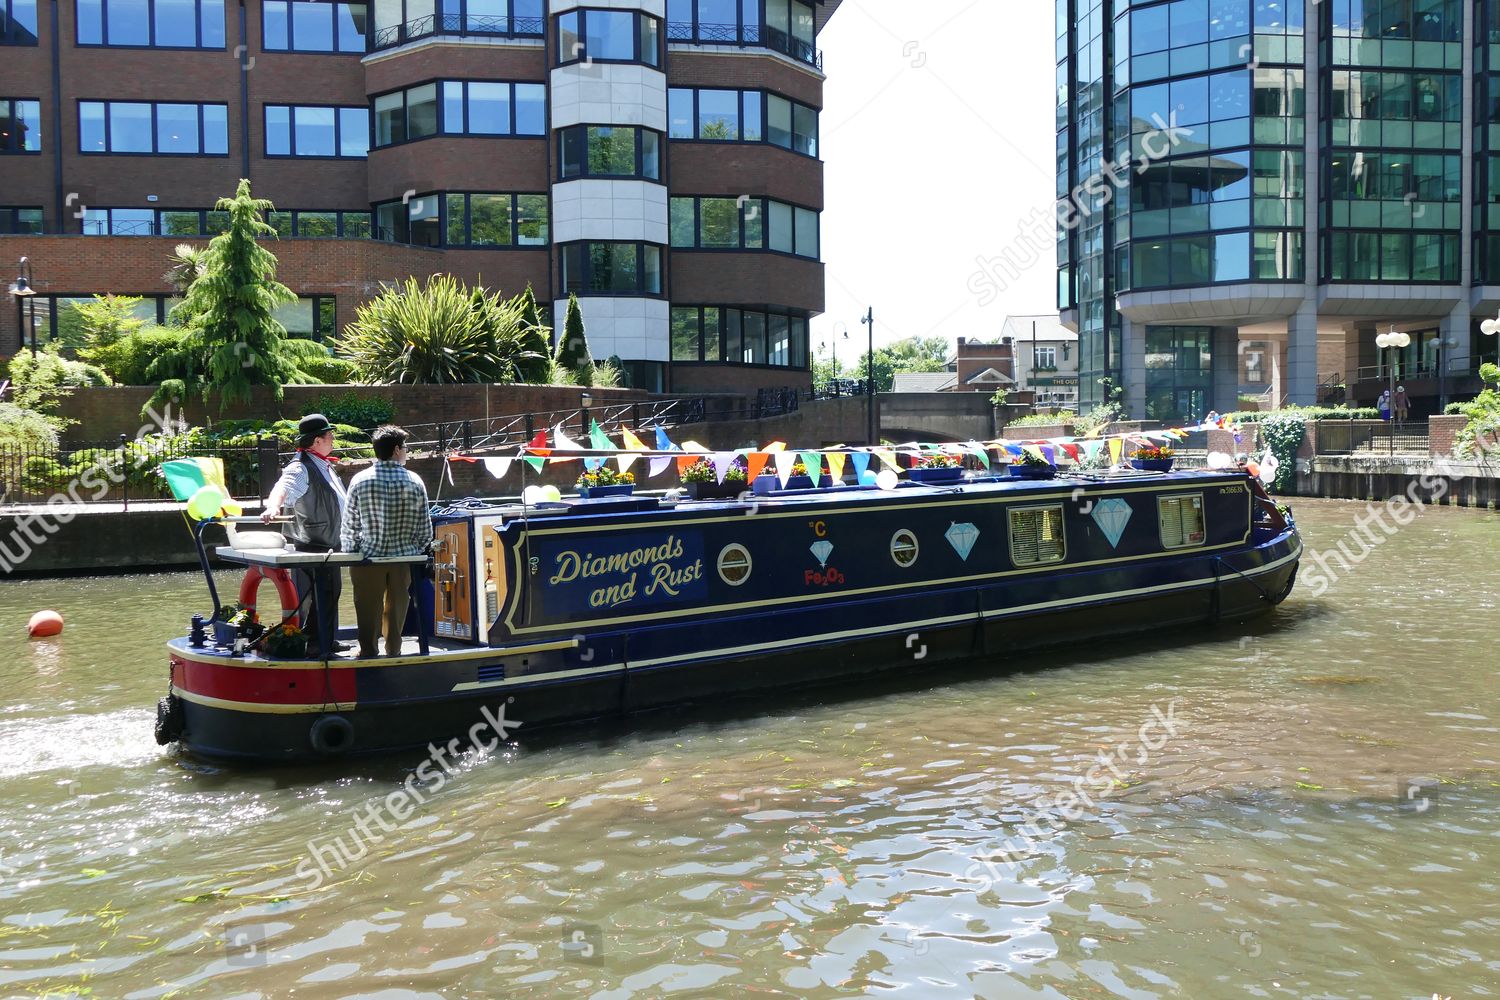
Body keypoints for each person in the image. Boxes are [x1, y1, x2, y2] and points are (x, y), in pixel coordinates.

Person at [341, 425, 434, 659]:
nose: (407, 452)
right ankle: (394, 650)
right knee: (397, 610)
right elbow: (425, 527)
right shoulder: (415, 481)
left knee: (367, 609)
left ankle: (368, 652)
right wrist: (416, 547)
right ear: (395, 450)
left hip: (368, 558)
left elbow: (350, 523)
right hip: (404, 557)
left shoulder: (360, 480)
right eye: (405, 448)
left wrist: (352, 551)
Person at [263, 413, 348, 653]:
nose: (333, 439)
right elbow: (283, 487)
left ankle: (322, 638)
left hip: (326, 542)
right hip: (316, 543)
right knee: (325, 593)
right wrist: (273, 506)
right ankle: (318, 643)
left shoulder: (321, 463)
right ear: (317, 441)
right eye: (329, 435)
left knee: (328, 593)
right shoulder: (301, 467)